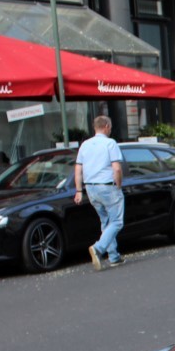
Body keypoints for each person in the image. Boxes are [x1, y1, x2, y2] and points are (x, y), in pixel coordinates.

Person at [74, 115, 125, 270]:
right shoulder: (110, 143)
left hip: (90, 188)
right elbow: (116, 168)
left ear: (94, 128)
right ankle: (98, 248)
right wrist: (118, 185)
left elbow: (78, 169)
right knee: (116, 221)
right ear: (107, 126)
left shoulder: (84, 145)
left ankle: (114, 256)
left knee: (105, 221)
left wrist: (78, 190)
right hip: (107, 186)